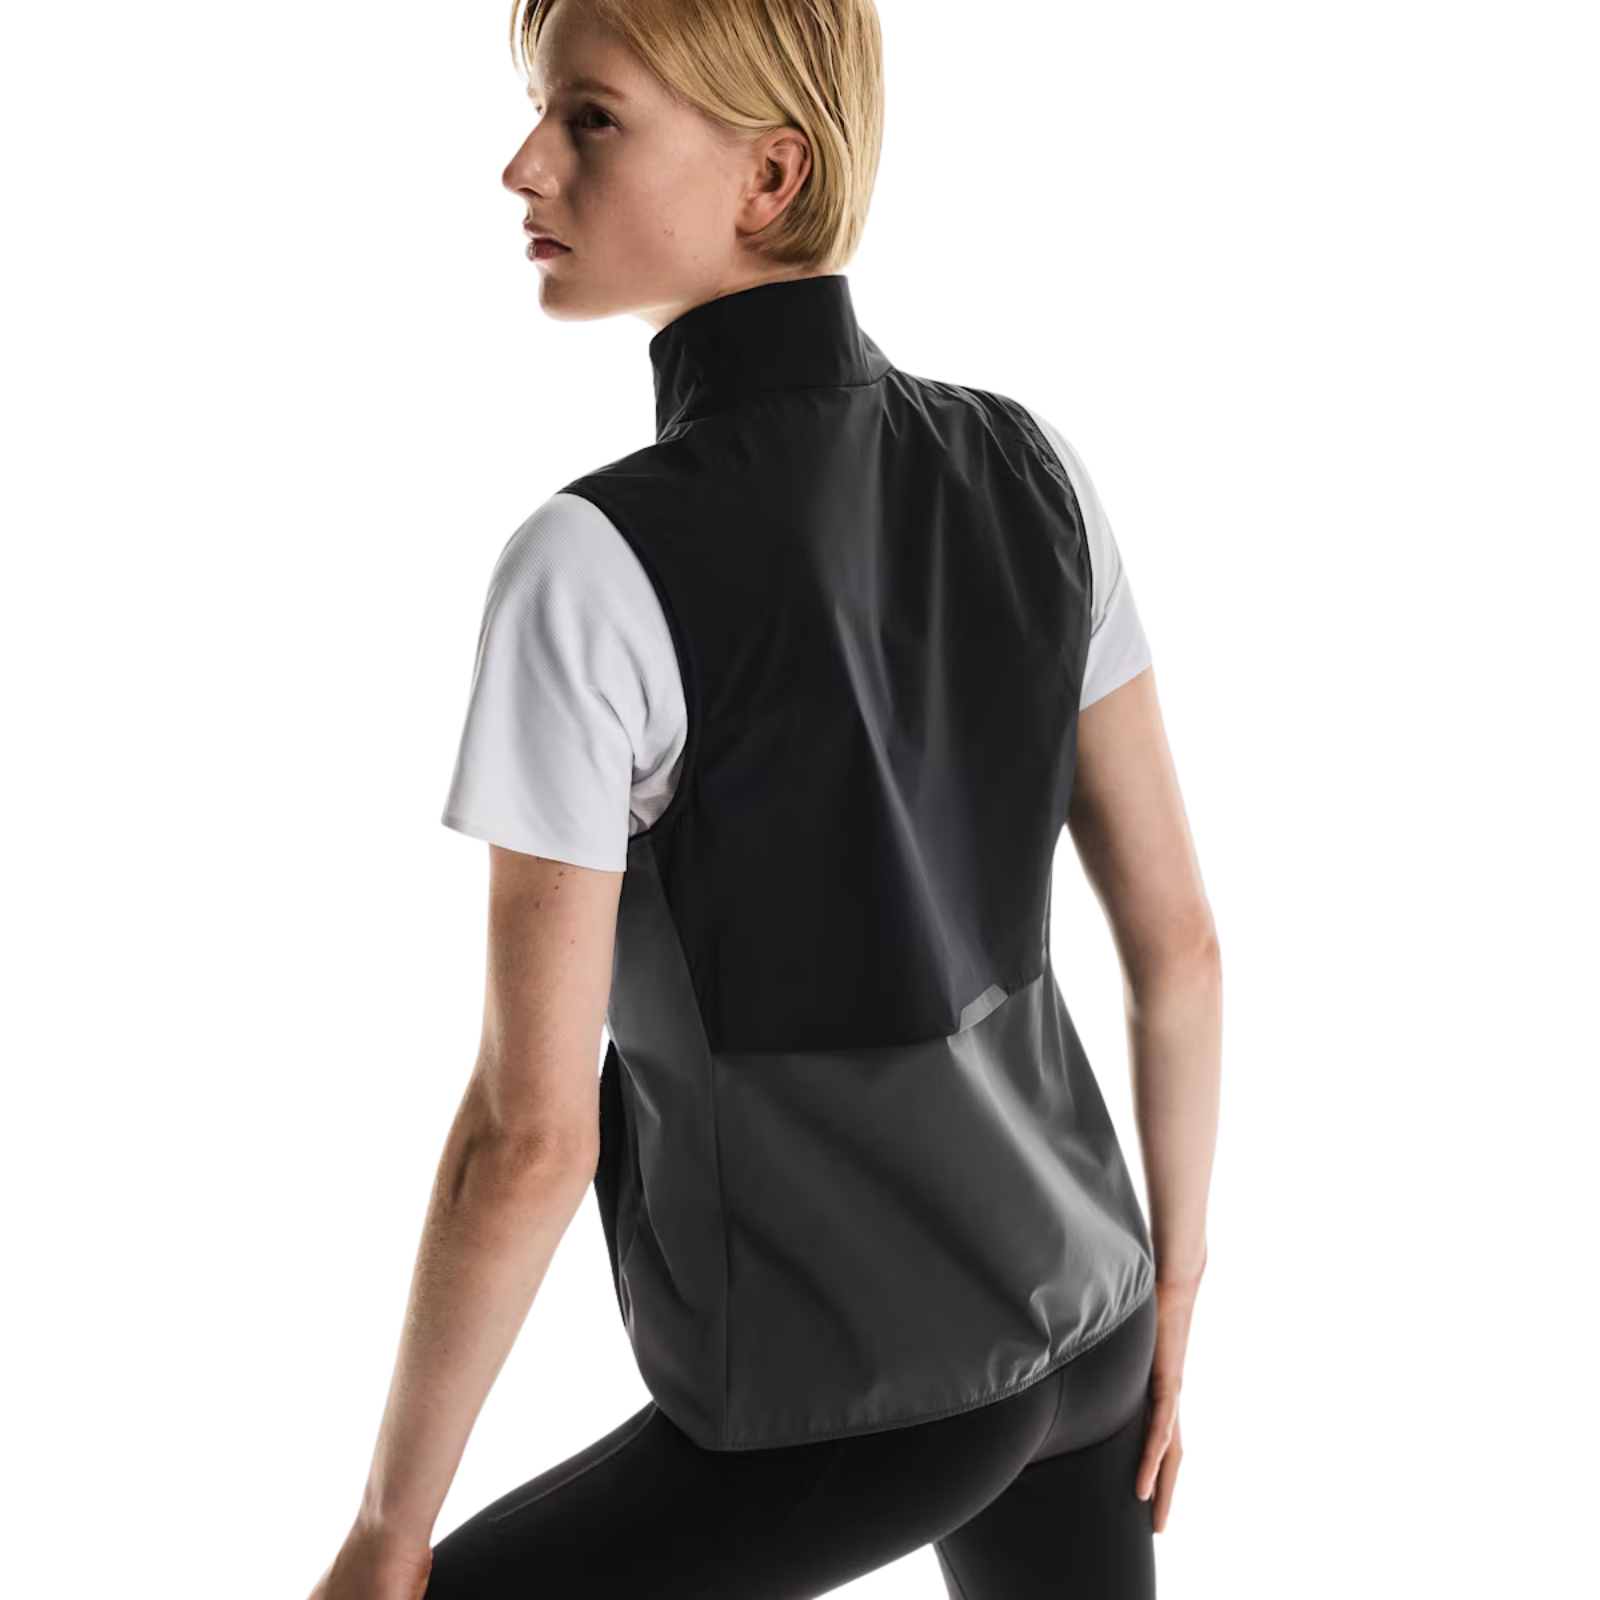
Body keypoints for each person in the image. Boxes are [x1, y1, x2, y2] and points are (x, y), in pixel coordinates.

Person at [305, 2, 1222, 1596]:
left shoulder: (589, 564)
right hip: (1097, 1325)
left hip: (847, 1389)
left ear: (771, 173)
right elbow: (1179, 947)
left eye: (590, 118)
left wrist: (390, 1529)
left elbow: (527, 1137)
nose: (522, 163)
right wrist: (1182, 1281)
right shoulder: (1035, 462)